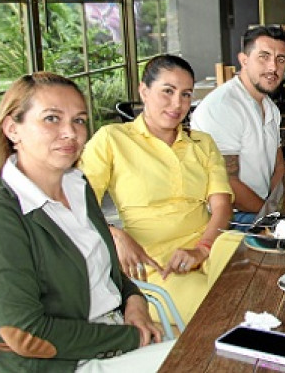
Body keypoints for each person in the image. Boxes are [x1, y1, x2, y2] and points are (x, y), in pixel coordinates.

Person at [0, 72, 172, 371]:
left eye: (79, 120)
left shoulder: (78, 186)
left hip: (114, 339)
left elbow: (103, 270)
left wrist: (134, 300)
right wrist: (128, 337)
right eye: (52, 119)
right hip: (64, 363)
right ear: (12, 129)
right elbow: (25, 336)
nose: (71, 133)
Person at [80, 55, 238, 323]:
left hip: (210, 245)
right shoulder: (113, 139)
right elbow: (77, 202)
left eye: (186, 94)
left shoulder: (202, 142)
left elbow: (222, 206)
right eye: (168, 91)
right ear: (144, 91)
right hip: (157, 265)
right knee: (221, 309)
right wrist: (115, 235)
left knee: (264, 276)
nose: (177, 104)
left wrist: (202, 248)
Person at [191, 26, 285, 224]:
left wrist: (279, 208)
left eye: (280, 59)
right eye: (264, 56)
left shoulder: (270, 107)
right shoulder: (223, 106)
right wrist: (272, 216)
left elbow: (278, 167)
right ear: (244, 60)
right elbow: (228, 183)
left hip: (260, 209)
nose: (273, 67)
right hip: (228, 218)